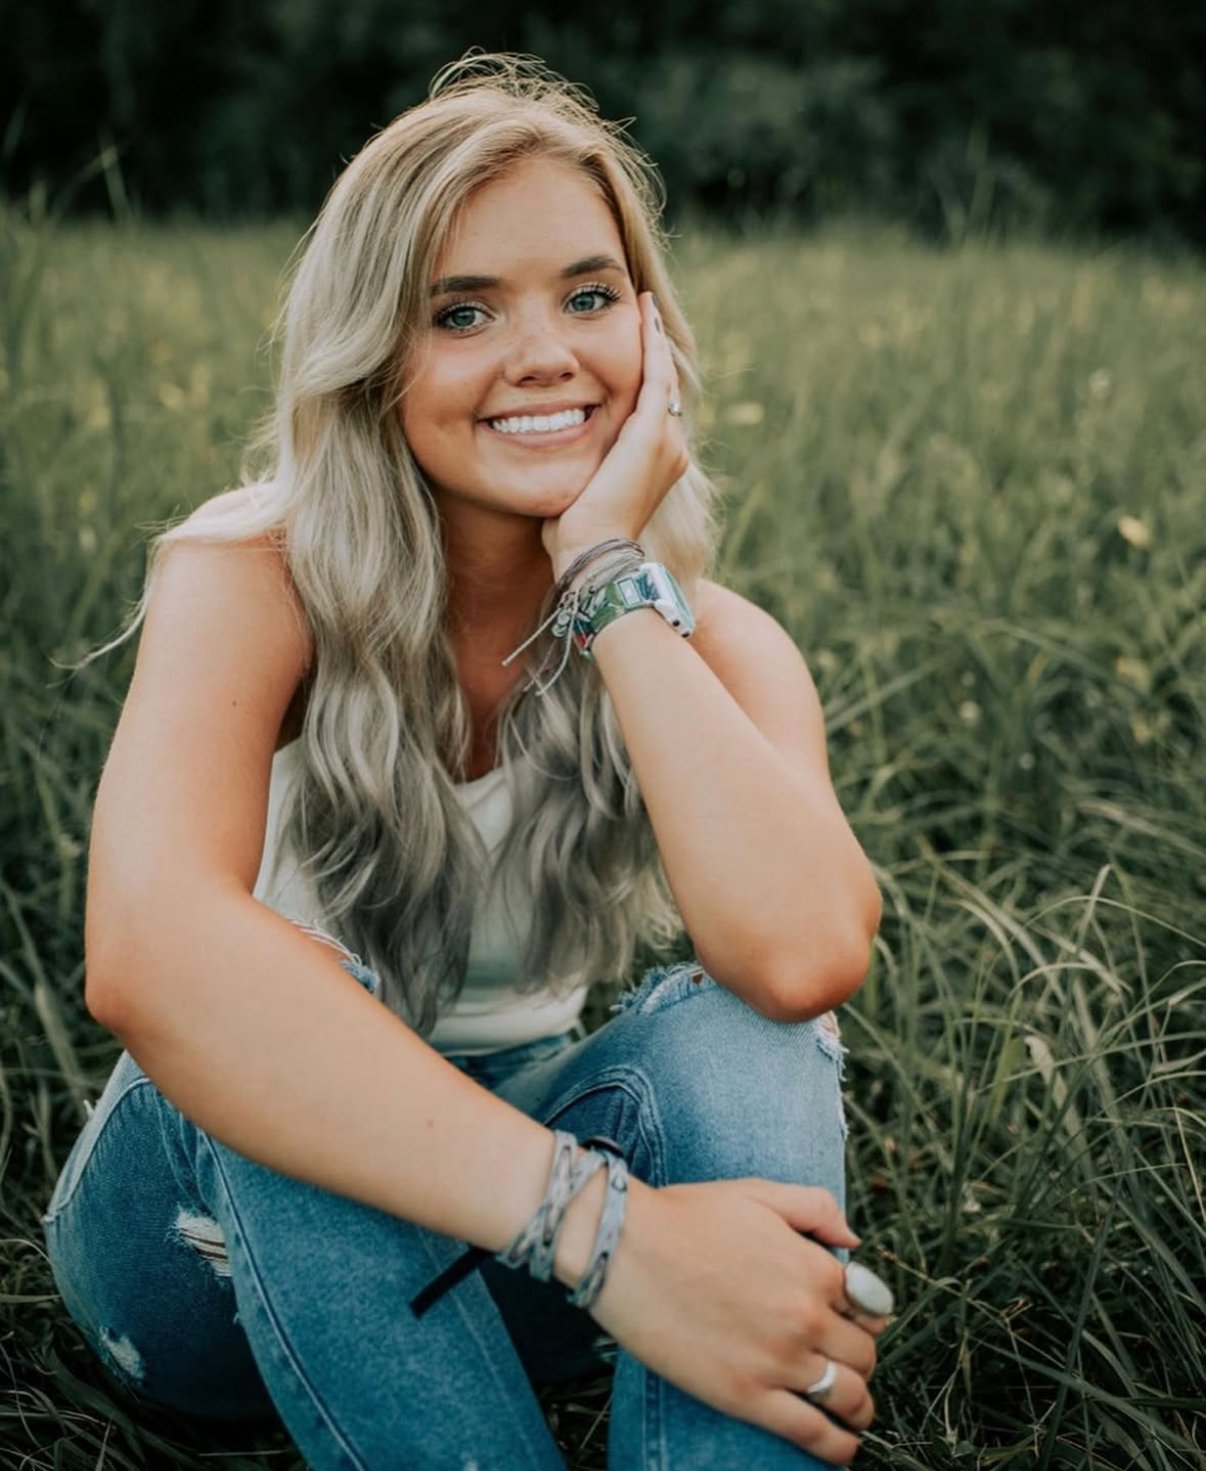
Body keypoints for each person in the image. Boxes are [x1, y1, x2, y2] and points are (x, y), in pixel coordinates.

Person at [41, 52, 891, 1471]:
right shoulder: (251, 574)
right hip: (199, 1258)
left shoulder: (715, 645)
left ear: (654, 337)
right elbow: (148, 957)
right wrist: (606, 1232)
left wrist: (612, 578)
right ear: (374, 356)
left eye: (588, 294)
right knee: (288, 1005)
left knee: (742, 1028)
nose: (547, 351)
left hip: (511, 1255)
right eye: (461, 311)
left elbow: (802, 960)